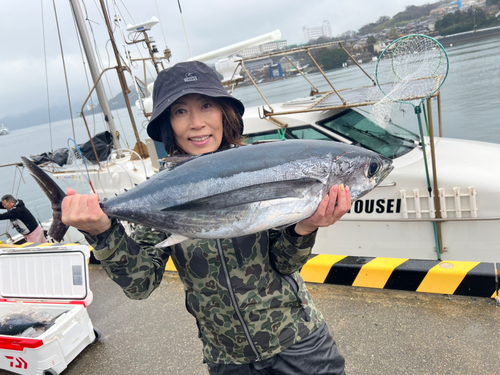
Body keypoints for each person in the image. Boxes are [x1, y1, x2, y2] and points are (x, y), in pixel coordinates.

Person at [61, 61, 352, 374]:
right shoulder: (160, 193)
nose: (197, 123)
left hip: (298, 341)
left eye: (206, 106)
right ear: (167, 125)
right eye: (180, 111)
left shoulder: (263, 166)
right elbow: (140, 284)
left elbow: (284, 264)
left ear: (224, 113)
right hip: (228, 359)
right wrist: (104, 233)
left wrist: (306, 227)